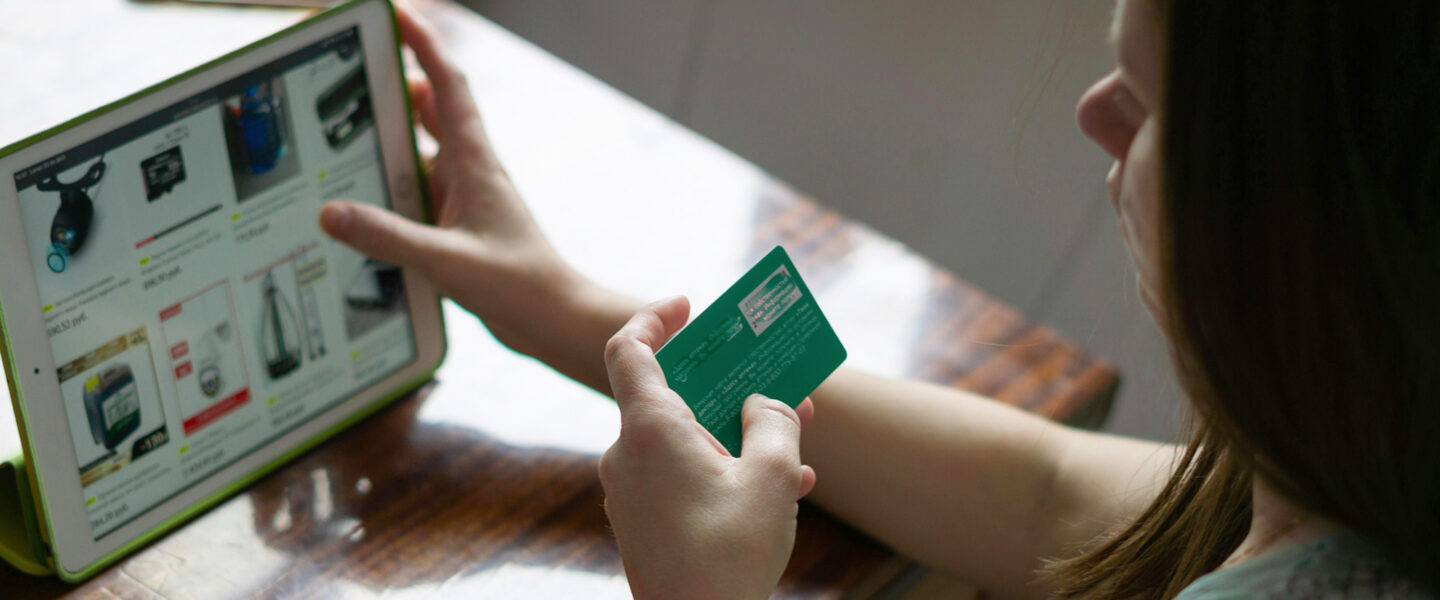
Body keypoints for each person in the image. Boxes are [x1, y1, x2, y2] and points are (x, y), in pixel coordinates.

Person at [322, 2, 1439, 598]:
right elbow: (1048, 498)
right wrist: (571, 310)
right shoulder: (1350, 486)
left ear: (1314, 226)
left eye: (1150, 103)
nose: (1096, 116)